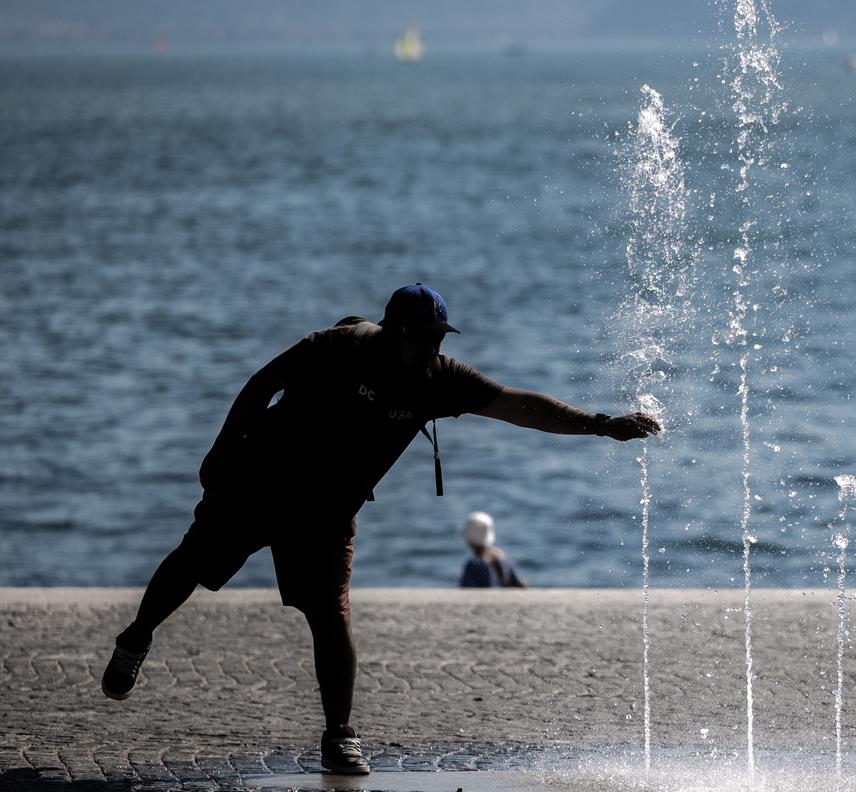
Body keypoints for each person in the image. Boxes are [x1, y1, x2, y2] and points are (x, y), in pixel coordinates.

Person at [100, 283, 658, 775]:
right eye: (420, 338)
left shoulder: (440, 379)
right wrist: (221, 452)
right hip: (258, 483)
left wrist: (602, 426)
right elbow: (261, 382)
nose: (430, 349)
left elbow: (516, 405)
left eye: (438, 338)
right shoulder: (336, 346)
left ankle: (339, 736)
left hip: (326, 513)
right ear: (392, 330)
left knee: (330, 615)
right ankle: (137, 636)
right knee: (192, 564)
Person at [457, 511, 526, 588]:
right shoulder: (503, 559)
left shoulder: (473, 565)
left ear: (469, 540)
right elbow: (518, 584)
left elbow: (465, 590)